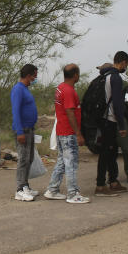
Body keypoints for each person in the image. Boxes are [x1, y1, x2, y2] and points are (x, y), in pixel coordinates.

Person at [96, 51, 128, 196]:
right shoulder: (116, 79)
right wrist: (122, 127)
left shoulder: (102, 79)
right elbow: (120, 103)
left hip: (104, 120)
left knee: (110, 152)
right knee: (121, 148)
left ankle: (112, 181)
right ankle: (107, 182)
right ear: (123, 62)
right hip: (114, 120)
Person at [44, 64, 90, 204]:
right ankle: (73, 194)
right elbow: (70, 112)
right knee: (71, 163)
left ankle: (52, 190)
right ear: (75, 75)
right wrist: (78, 134)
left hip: (61, 131)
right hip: (68, 132)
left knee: (62, 162)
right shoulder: (69, 91)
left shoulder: (61, 87)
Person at [11, 63, 40, 202]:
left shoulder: (26, 89)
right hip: (22, 131)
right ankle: (19, 189)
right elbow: (15, 111)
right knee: (23, 159)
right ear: (28, 75)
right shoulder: (18, 89)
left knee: (29, 159)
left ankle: (25, 185)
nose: (35, 78)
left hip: (30, 129)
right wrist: (19, 132)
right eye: (34, 76)